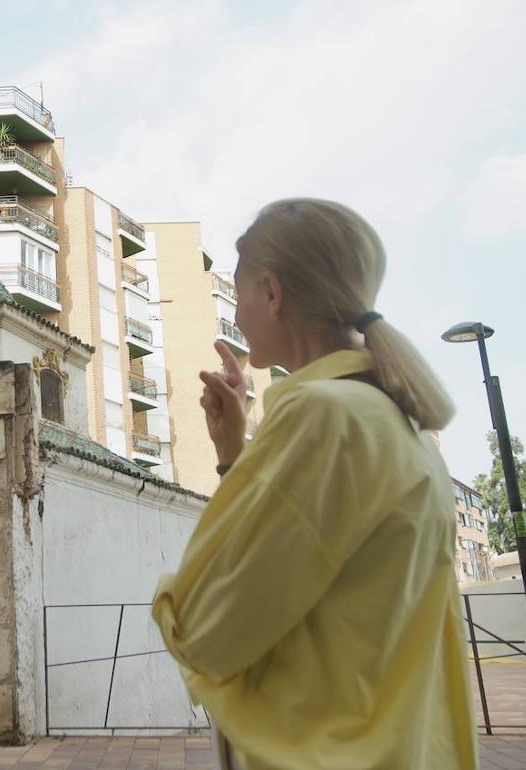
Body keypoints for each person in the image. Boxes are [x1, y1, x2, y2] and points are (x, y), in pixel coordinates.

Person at [152, 199, 478, 769]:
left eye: (239, 292)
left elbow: (205, 629)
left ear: (273, 294)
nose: (239, 311)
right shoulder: (396, 425)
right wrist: (237, 456)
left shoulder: (323, 417)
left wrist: (165, 604)